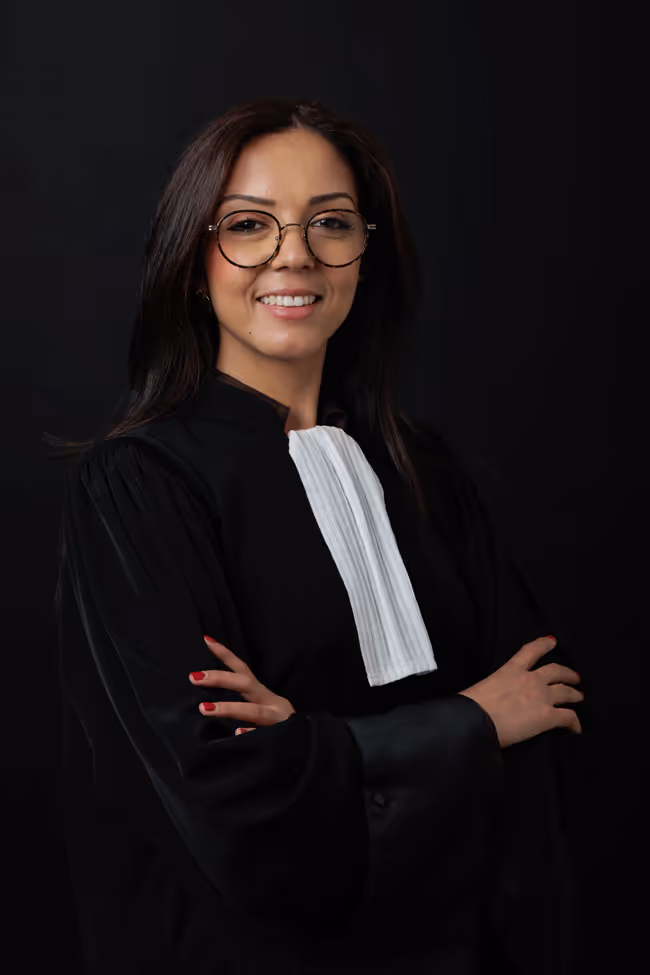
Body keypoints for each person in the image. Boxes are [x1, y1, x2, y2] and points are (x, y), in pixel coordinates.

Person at [48, 97, 585, 975]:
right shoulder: (141, 486)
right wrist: (470, 724)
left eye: (329, 222)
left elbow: (551, 730)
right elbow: (228, 809)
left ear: (365, 253)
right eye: (249, 225)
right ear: (194, 260)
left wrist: (311, 742)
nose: (293, 253)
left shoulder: (428, 472)